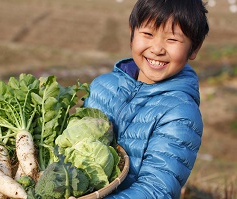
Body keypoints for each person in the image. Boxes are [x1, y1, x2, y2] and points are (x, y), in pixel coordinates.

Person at [82, 0, 209, 198]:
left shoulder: (180, 113)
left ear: (194, 48)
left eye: (172, 39)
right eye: (148, 34)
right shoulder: (102, 87)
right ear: (132, 33)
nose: (157, 48)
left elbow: (157, 190)